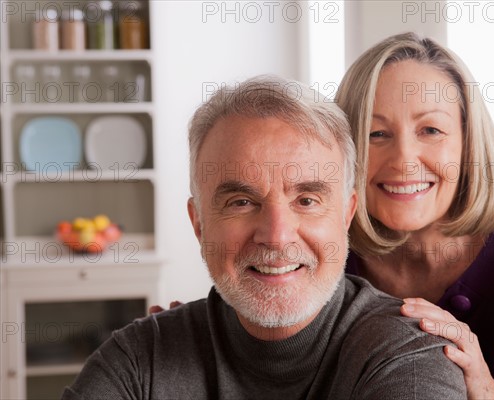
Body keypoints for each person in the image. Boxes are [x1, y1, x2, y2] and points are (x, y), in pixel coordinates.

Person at [62, 76, 466, 399]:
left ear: (346, 213)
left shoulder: (408, 354)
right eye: (240, 201)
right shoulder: (138, 359)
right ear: (199, 223)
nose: (276, 236)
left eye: (307, 200)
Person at [335, 32, 494, 399]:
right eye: (376, 133)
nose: (404, 160)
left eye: (430, 130)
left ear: (468, 143)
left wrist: (486, 391)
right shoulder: (325, 257)